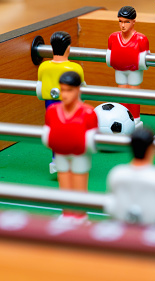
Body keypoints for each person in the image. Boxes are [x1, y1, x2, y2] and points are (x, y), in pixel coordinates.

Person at [42, 71, 98, 223]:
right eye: (62, 90)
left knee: (79, 184)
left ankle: (79, 216)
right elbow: (47, 133)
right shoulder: (53, 111)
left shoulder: (88, 112)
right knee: (64, 183)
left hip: (79, 154)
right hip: (60, 153)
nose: (64, 95)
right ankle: (67, 214)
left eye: (69, 90)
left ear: (78, 90)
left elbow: (93, 140)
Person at [104, 128, 155, 225]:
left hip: (123, 231)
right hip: (151, 233)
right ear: (152, 148)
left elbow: (111, 207)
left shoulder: (116, 173)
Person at [37, 31, 85, 174]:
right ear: (68, 48)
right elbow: (82, 88)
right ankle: (71, 159)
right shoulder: (75, 68)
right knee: (72, 129)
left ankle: (56, 159)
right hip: (70, 105)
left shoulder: (43, 67)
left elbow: (40, 84)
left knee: (56, 131)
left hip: (50, 104)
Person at [107, 6, 149, 129]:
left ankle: (135, 118)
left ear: (133, 22)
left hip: (134, 70)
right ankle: (123, 117)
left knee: (133, 92)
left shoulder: (141, 39)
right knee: (121, 92)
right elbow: (109, 53)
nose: (123, 25)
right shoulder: (113, 37)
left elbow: (145, 58)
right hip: (119, 69)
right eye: (120, 21)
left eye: (126, 22)